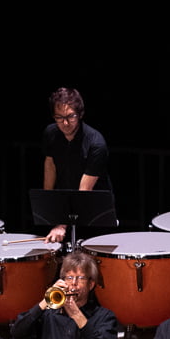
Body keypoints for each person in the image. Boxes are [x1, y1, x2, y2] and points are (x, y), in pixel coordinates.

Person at [39, 87, 115, 244]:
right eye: (59, 117)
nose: (65, 123)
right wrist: (48, 206)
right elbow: (50, 165)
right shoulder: (50, 133)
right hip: (65, 208)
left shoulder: (96, 143)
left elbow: (84, 191)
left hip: (93, 212)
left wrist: (61, 224)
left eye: (70, 117)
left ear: (80, 114)